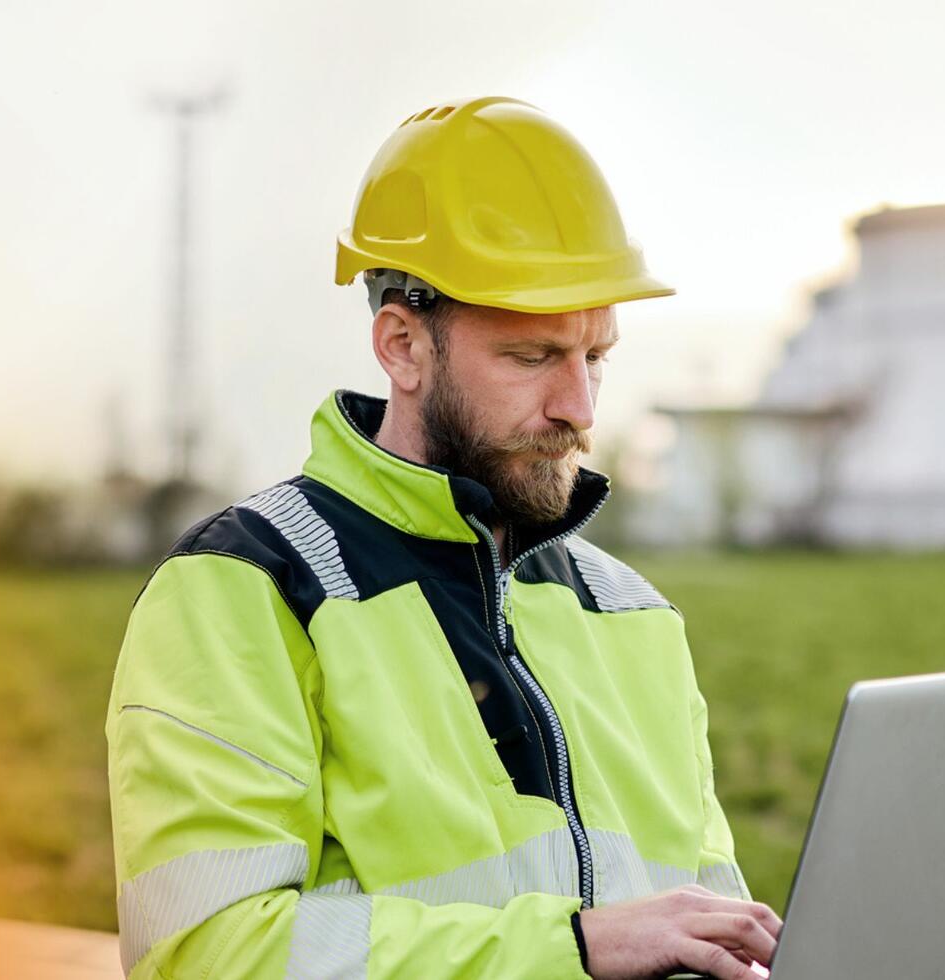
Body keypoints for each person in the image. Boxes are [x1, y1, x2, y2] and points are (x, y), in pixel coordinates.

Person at [106, 95, 782, 979]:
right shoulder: (245, 587)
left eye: (595, 358)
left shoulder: (632, 611)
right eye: (532, 357)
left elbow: (704, 928)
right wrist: (571, 951)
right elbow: (204, 953)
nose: (577, 407)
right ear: (402, 346)